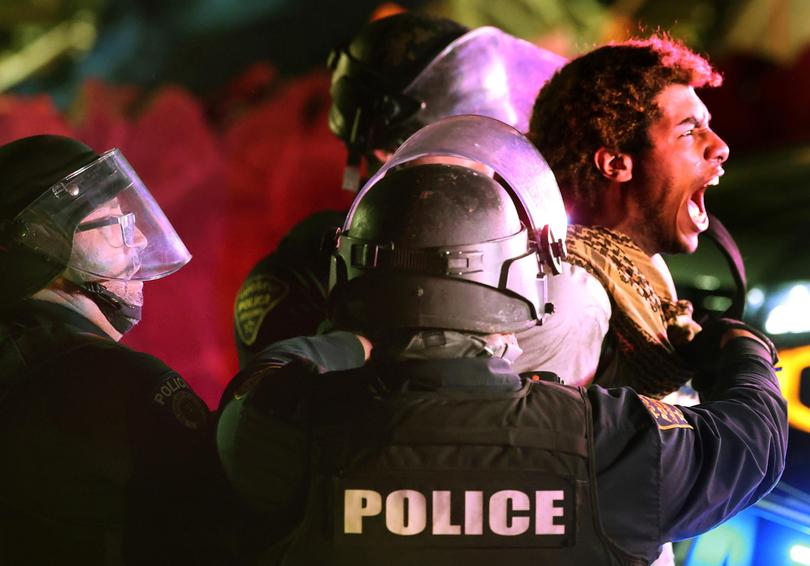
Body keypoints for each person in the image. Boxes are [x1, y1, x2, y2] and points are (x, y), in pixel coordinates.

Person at [217, 116, 786, 565]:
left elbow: (267, 374)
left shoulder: (285, 424)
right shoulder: (602, 442)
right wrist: (740, 350)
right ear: (517, 277)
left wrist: (355, 344)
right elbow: (754, 444)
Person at [232, 12, 565, 366]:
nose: (489, 162)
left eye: (489, 137)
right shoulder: (308, 271)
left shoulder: (521, 242)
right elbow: (273, 400)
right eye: (463, 143)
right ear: (388, 152)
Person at [0, 135, 221, 565]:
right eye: (116, 223)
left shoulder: (18, 364)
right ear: (42, 241)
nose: (138, 240)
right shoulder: (118, 384)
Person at [521, 35, 730, 397]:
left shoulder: (640, 278)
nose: (720, 147)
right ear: (616, 164)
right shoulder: (571, 298)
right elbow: (559, 449)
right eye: (689, 131)